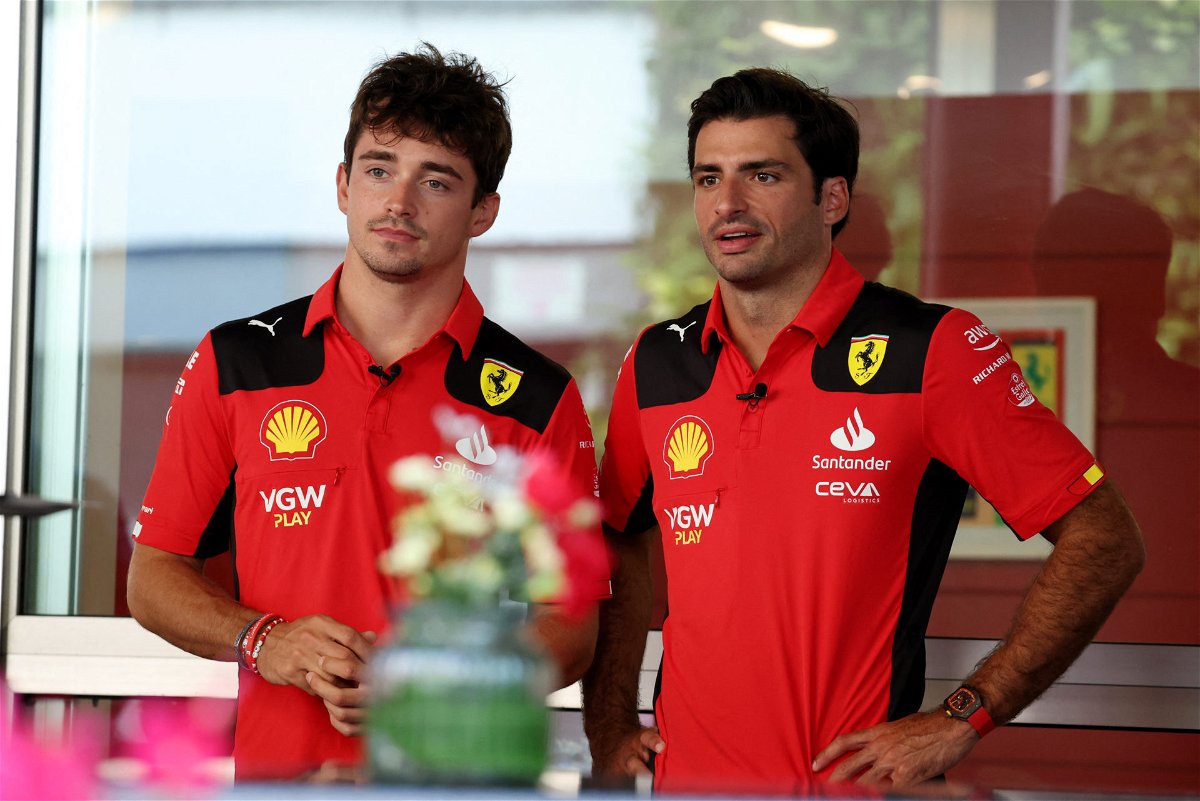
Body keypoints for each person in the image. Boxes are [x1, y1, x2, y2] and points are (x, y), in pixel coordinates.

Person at [581, 67, 1145, 795]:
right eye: (708, 177)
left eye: (763, 175)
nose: (728, 203)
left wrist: (963, 713)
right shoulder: (657, 362)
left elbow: (1105, 535)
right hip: (688, 785)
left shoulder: (931, 348)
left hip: (851, 788)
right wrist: (607, 724)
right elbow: (616, 540)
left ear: (833, 197)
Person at [127, 45, 600, 781]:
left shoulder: (537, 398)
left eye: (435, 180)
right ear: (344, 185)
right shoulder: (237, 363)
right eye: (379, 169)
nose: (399, 202)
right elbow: (153, 575)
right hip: (280, 781)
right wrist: (265, 639)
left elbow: (571, 624)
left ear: (484, 211)